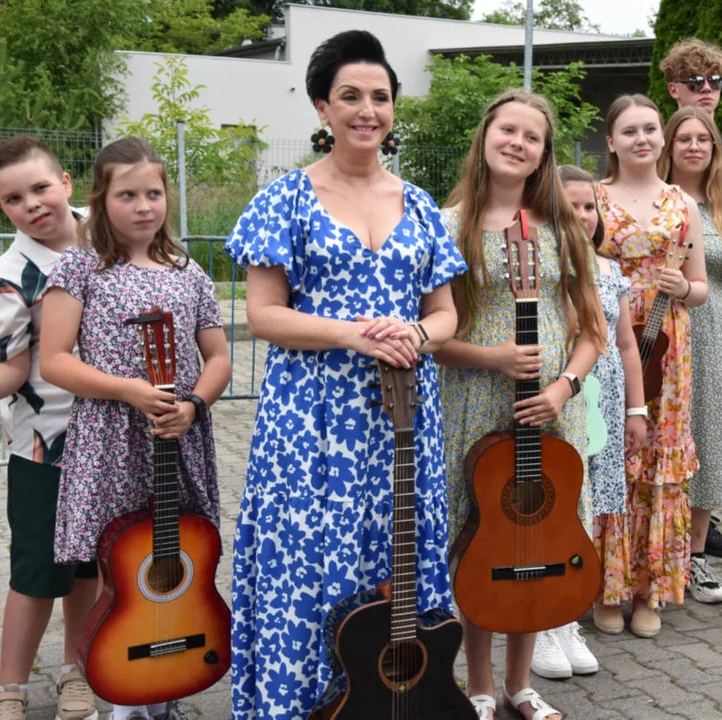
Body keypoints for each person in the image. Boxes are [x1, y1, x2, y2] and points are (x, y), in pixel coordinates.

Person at [224, 30, 467, 718]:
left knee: (392, 556)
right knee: (304, 560)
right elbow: (265, 315)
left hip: (401, 417)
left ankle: (390, 699)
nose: (368, 110)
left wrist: (417, 333)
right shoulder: (284, 201)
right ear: (321, 108)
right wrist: (352, 334)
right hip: (310, 417)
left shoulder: (418, 205)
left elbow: (446, 314)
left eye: (380, 97)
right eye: (350, 97)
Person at [37, 136, 230, 720]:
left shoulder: (189, 271)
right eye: (128, 194)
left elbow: (218, 357)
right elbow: (55, 359)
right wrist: (130, 391)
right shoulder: (81, 266)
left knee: (176, 558)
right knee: (119, 566)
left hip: (177, 435)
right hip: (111, 439)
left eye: (154, 192)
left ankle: (166, 681)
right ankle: (122, 689)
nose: (144, 205)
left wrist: (193, 403)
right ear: (101, 199)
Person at [435, 90, 605, 720]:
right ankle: (479, 685)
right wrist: (494, 360)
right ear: (485, 137)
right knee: (484, 542)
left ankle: (520, 685)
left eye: (531, 137)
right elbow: (435, 335)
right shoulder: (448, 225)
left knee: (537, 535)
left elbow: (592, 331)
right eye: (507, 130)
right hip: (472, 406)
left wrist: (563, 387)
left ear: (543, 154)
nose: (517, 143)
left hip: (549, 413)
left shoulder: (563, 230)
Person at [0, 135, 99, 720]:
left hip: (112, 441)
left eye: (40, 187)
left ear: (67, 184)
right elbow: (6, 369)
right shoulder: (9, 276)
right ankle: (9, 687)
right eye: (12, 198)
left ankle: (76, 673)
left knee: (89, 567)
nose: (31, 203)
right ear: (2, 208)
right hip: (45, 447)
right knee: (35, 571)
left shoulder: (111, 236)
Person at [594, 93, 708, 638]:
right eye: (629, 131)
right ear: (611, 141)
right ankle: (607, 587)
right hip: (610, 335)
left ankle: (651, 591)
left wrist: (685, 286)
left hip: (667, 340)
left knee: (659, 459)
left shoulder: (683, 204)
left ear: (662, 137)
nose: (642, 138)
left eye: (649, 129)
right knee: (613, 453)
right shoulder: (593, 198)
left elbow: (704, 286)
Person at [661, 36, 722, 561]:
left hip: (717, 325)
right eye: (696, 82)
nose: (707, 91)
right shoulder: (647, 176)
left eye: (715, 82)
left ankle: (696, 547)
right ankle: (652, 548)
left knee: (712, 437)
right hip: (657, 330)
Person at [557, 165, 648, 637]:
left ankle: (593, 594)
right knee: (563, 499)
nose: (582, 214)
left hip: (609, 402)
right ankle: (558, 610)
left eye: (589, 205)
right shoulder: (547, 266)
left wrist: (637, 409)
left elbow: (627, 345)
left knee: (598, 503)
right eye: (570, 205)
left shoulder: (611, 269)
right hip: (566, 399)